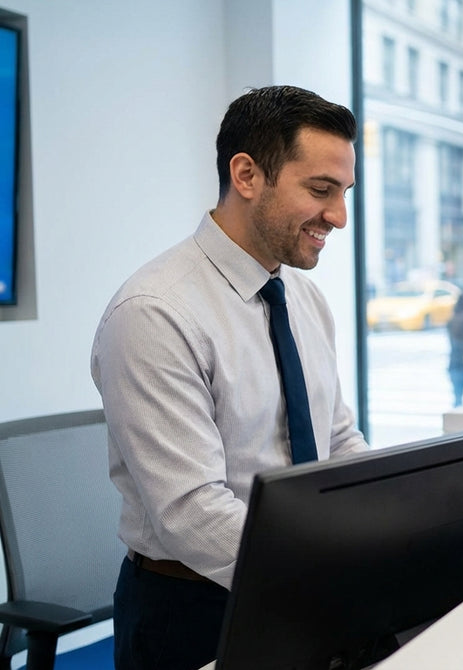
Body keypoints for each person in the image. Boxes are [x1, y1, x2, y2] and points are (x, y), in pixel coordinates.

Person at [91, 85, 368, 670]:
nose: (339, 217)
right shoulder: (154, 312)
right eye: (321, 190)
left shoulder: (305, 298)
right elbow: (193, 512)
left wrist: (386, 524)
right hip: (192, 608)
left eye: (343, 193)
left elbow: (337, 439)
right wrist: (333, 566)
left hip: (300, 581)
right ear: (246, 175)